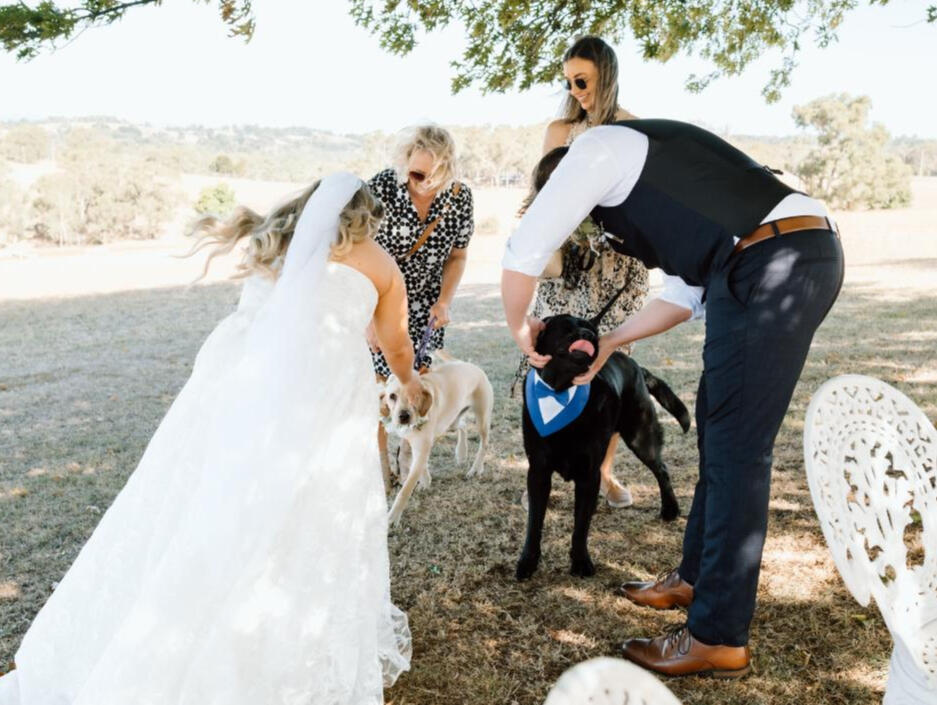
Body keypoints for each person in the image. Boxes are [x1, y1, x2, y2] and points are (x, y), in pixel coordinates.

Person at [0, 173, 420, 704]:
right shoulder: (379, 263)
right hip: (322, 394)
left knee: (208, 499)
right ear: (367, 216)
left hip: (237, 391)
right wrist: (409, 378)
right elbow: (396, 342)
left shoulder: (274, 243)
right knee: (308, 505)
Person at [501, 119, 844, 678]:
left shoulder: (597, 151)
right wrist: (610, 343)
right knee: (719, 430)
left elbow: (524, 247)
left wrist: (519, 327)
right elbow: (684, 295)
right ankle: (695, 579)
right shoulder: (654, 180)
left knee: (738, 451)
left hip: (776, 260)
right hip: (770, 256)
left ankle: (716, 636)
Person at [513, 36, 647, 509]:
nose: (576, 90)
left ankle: (603, 472)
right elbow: (541, 191)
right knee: (552, 362)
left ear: (605, 75)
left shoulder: (634, 128)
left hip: (614, 266)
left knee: (604, 377)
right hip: (564, 266)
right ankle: (545, 465)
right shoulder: (560, 130)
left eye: (583, 80)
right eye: (569, 81)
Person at [366, 125, 474, 479]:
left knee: (415, 387)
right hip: (381, 302)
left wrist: (445, 301)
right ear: (405, 162)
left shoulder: (460, 198)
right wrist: (368, 316)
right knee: (384, 388)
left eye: (435, 176)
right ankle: (381, 468)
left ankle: (405, 455)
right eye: (416, 173)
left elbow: (457, 255)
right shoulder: (381, 188)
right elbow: (358, 251)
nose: (424, 182)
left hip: (425, 308)